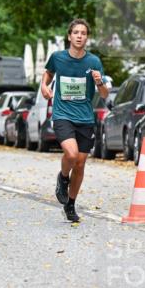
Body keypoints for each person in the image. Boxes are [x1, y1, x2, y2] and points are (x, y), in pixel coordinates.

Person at [41, 18, 110, 223]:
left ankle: (70, 205)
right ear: (69, 36)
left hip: (85, 118)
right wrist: (45, 87)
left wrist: (99, 82)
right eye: (76, 32)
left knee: (80, 164)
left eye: (83, 33)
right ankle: (62, 178)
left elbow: (105, 94)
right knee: (70, 154)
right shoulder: (57, 57)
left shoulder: (93, 62)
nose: (80, 36)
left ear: (87, 37)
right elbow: (47, 75)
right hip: (62, 115)